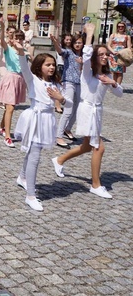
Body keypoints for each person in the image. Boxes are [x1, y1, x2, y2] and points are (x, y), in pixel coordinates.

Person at [52, 23, 124, 199]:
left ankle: (59, 160)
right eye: (100, 54)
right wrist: (89, 35)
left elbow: (119, 93)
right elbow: (85, 54)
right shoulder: (87, 72)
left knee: (86, 147)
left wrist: (113, 83)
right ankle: (95, 184)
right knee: (98, 148)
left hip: (97, 113)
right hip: (86, 110)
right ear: (94, 58)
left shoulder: (105, 76)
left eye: (106, 54)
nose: (104, 57)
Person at [13, 45, 64, 211]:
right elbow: (24, 67)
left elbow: (68, 103)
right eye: (47, 64)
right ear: (39, 66)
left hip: (48, 120)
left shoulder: (56, 83)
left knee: (34, 151)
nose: (51, 67)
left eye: (53, 64)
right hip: (35, 118)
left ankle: (22, 176)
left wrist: (60, 98)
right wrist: (21, 52)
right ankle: (31, 195)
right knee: (34, 155)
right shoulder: (33, 79)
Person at [0, 19, 27, 147]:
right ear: (11, 39)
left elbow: (28, 66)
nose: (19, 40)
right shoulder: (8, 49)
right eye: (16, 38)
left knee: (10, 107)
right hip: (10, 78)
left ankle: (1, 127)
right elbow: (1, 41)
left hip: (19, 79)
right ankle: (7, 136)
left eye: (21, 38)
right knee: (10, 107)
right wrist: (2, 27)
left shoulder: (24, 51)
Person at [51, 33, 83, 148]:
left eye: (80, 42)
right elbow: (60, 51)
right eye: (76, 42)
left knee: (77, 109)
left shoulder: (84, 55)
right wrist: (55, 42)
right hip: (68, 82)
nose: (78, 44)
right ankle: (58, 136)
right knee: (68, 109)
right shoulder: (69, 53)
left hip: (80, 83)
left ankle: (67, 129)